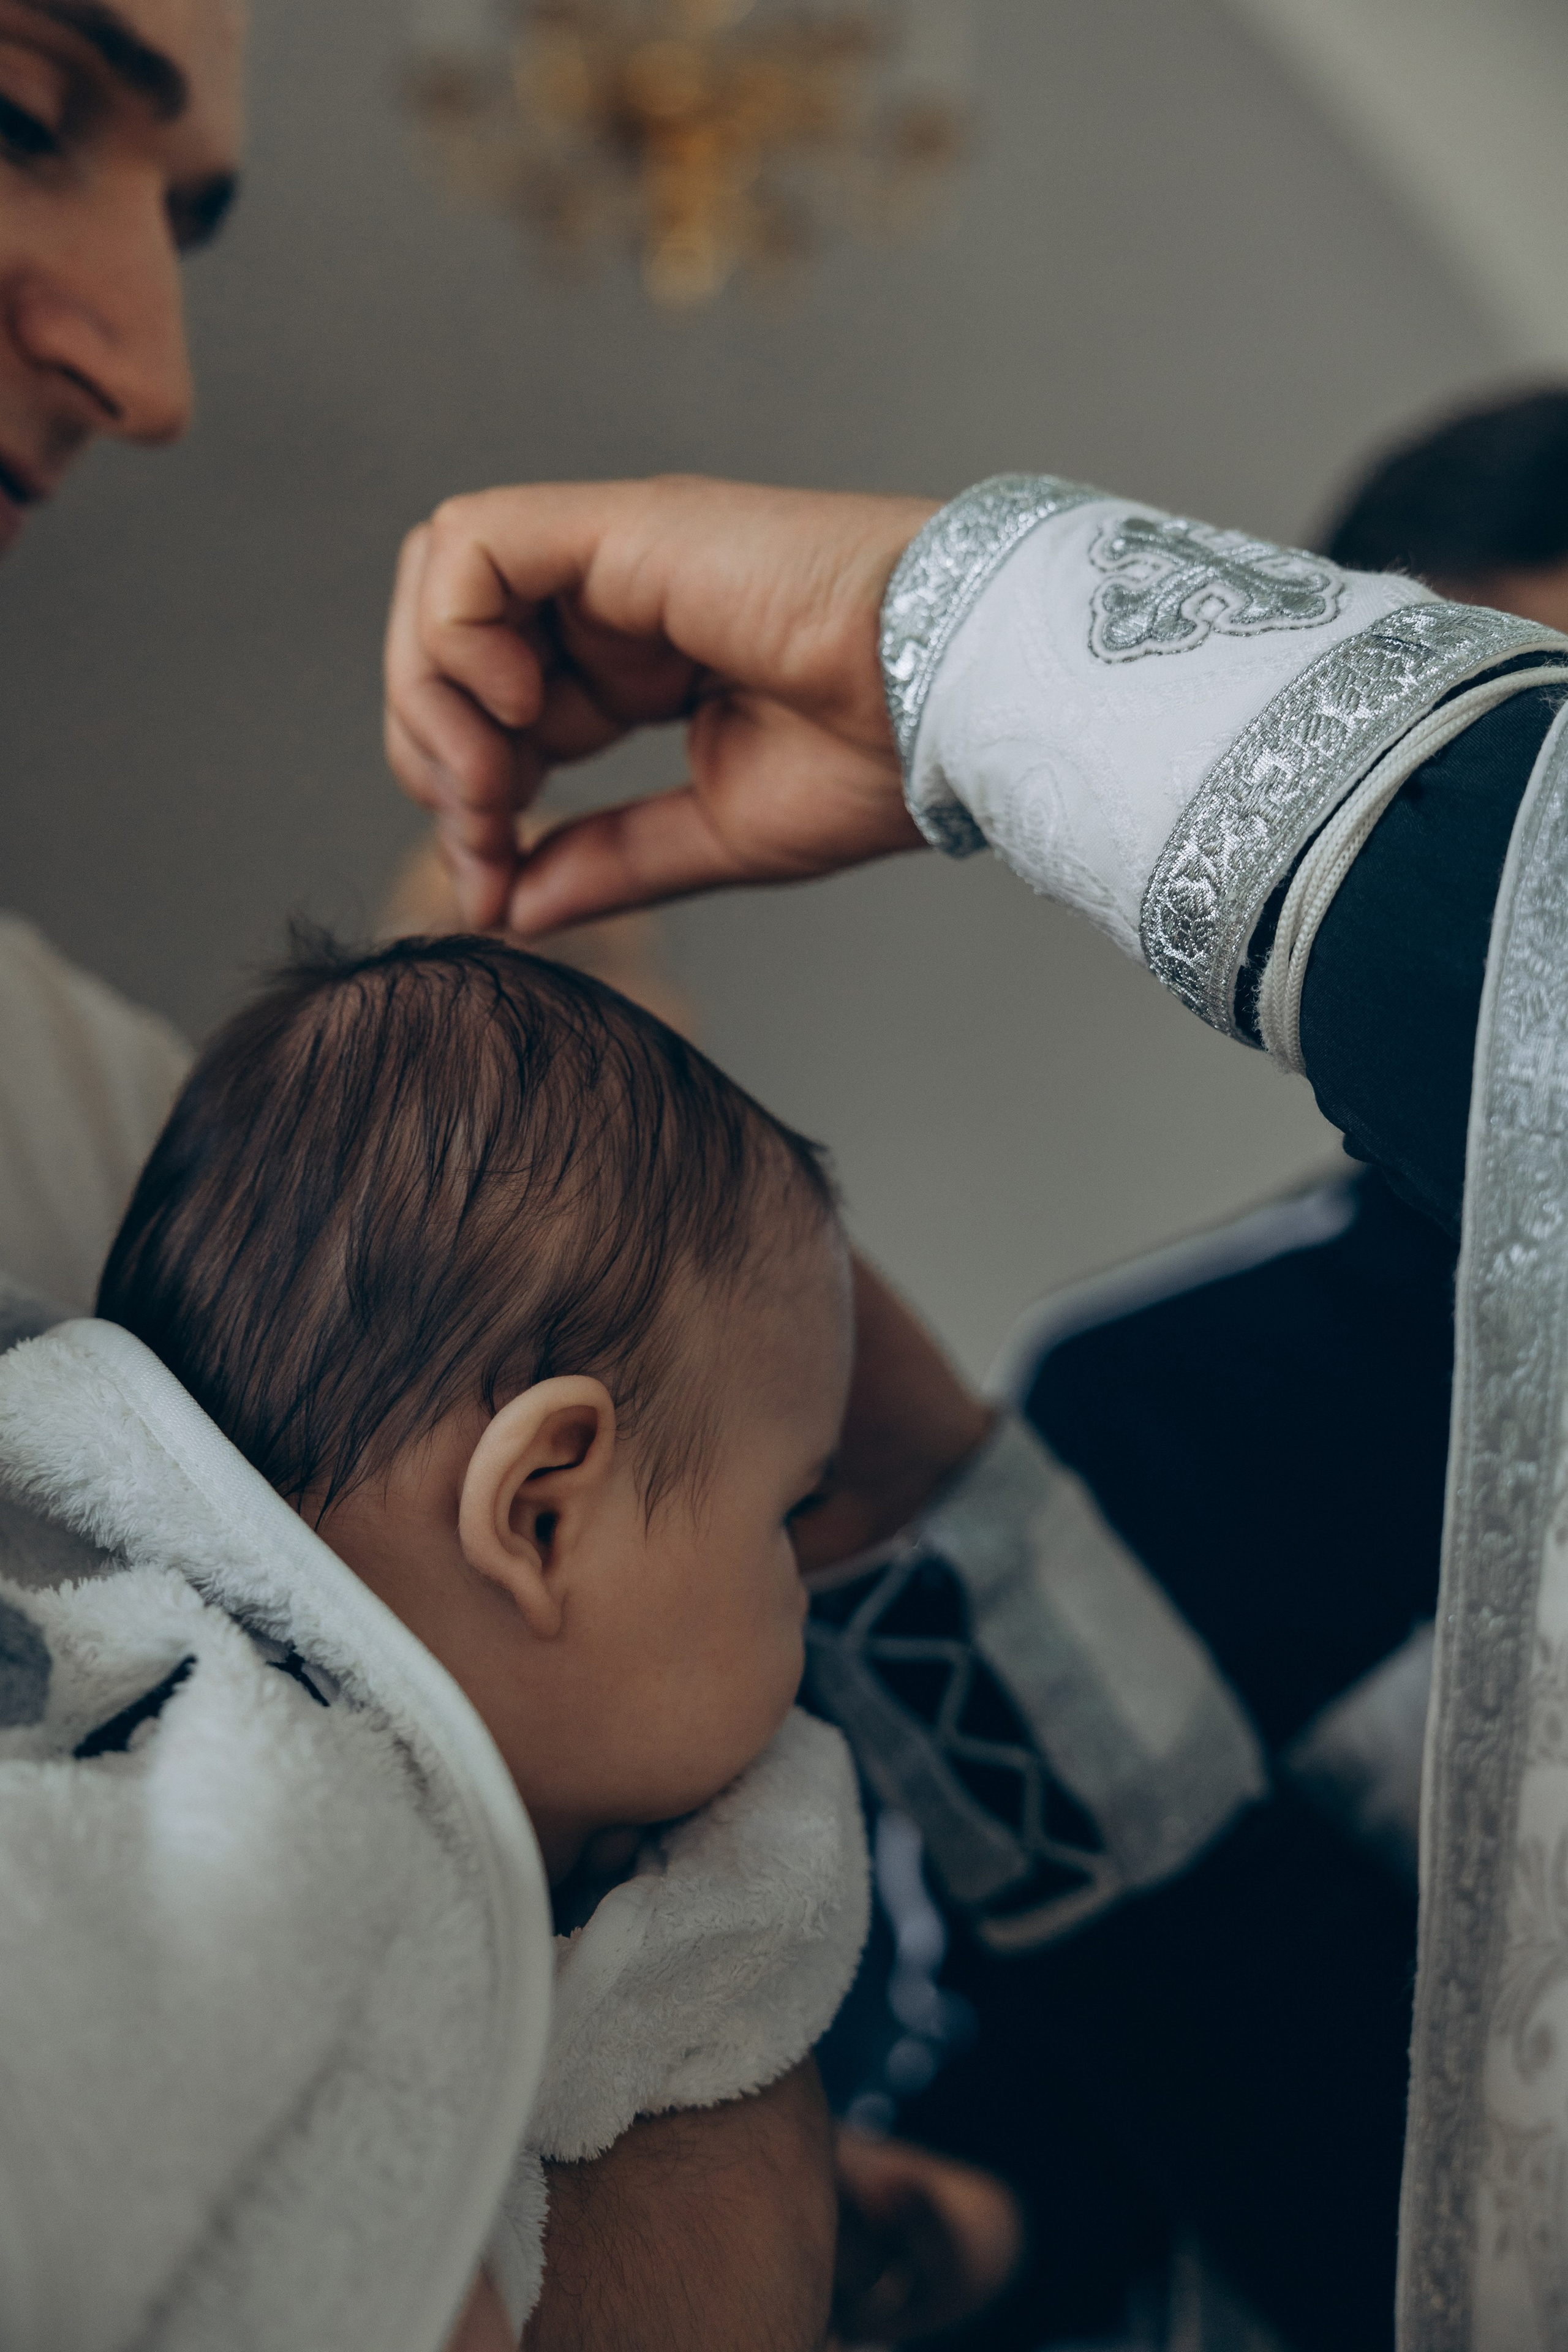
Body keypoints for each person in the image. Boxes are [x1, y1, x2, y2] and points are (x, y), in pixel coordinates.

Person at [384, 450, 1568, 2352]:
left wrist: (966, 631)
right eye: (1514, 738)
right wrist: (976, 2223)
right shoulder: (1166, 1407)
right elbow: (1325, 2136)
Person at [0, 5, 847, 2345]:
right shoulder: (232, 1856)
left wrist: (540, 928)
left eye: (184, 218)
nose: (154, 369)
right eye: (17, 108)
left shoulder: (57, 1095)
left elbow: (417, 1270)